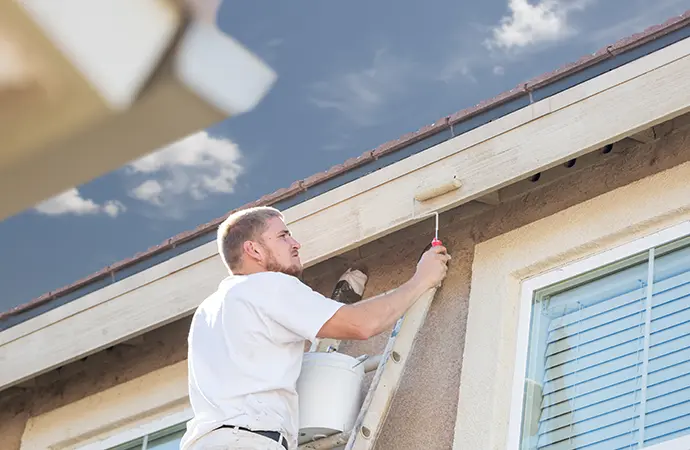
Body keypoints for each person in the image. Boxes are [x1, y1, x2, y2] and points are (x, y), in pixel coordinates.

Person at [180, 206, 451, 450]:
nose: (295, 243)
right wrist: (421, 279)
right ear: (254, 250)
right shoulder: (267, 285)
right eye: (283, 236)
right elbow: (361, 324)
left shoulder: (210, 310)